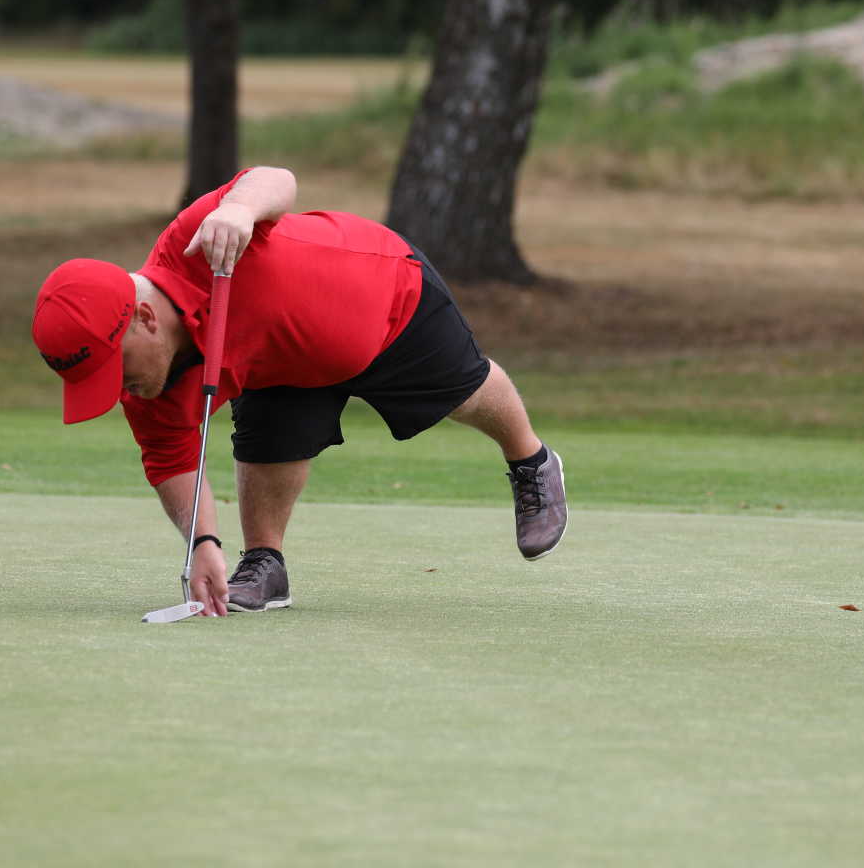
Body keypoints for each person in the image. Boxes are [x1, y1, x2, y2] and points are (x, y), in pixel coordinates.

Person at [31, 166, 567, 617]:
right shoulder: (150, 385)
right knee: (267, 442)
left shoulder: (199, 238)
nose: (121, 387)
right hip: (282, 366)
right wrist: (201, 545)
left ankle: (531, 461)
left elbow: (275, 179)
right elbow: (171, 459)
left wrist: (239, 208)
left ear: (145, 318)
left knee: (467, 393)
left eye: (115, 367)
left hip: (387, 299)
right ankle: (265, 565)